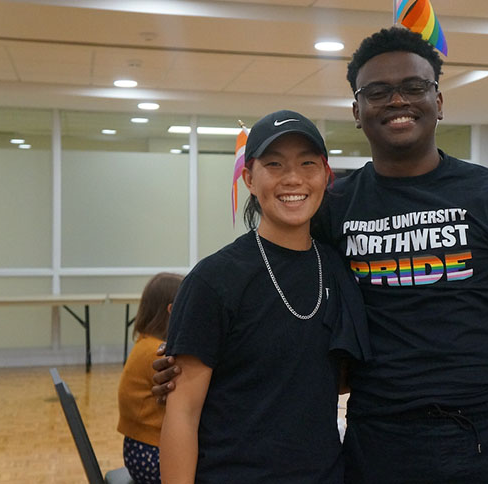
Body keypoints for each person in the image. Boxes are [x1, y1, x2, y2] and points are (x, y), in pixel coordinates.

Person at [154, 27, 488, 484]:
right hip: (374, 443)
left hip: (480, 440)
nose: (397, 100)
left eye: (414, 87)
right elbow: (281, 285)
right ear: (357, 111)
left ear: (439, 101)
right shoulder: (335, 208)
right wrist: (189, 362)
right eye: (377, 92)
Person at [158, 110, 369, 484]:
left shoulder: (336, 268)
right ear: (250, 179)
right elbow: (182, 412)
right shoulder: (213, 280)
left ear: (325, 176)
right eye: (274, 164)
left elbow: (330, 375)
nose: (293, 178)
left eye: (308, 163)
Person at [117, 271, 183, 484]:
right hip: (152, 452)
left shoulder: (144, 344)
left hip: (139, 450)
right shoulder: (156, 353)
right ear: (171, 311)